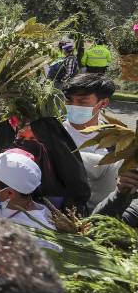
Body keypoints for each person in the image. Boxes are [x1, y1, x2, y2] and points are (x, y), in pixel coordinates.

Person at [62, 74, 119, 210]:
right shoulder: (53, 132)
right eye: (69, 101)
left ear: (103, 103)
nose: (73, 106)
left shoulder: (116, 139)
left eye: (82, 102)